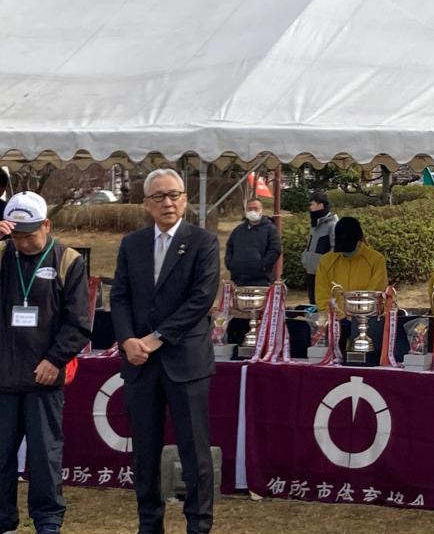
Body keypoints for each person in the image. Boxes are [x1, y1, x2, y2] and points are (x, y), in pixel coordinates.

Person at [110, 169, 221, 534]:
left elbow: (201, 299)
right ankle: (149, 523)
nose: (168, 202)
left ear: (186, 199)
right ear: (146, 204)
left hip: (184, 362)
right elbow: (120, 296)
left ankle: (198, 524)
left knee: (194, 453)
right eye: (159, 196)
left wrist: (157, 337)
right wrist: (127, 340)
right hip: (140, 364)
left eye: (174, 194)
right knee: (145, 452)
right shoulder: (133, 244)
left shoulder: (203, 242)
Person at [0, 192, 91, 534]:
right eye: (17, 235)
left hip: (44, 378)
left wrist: (56, 359)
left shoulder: (68, 260)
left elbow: (79, 321)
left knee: (44, 456)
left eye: (30, 234)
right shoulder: (2, 255)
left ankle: (48, 522)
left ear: (47, 225)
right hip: (4, 376)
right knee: (1, 457)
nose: (23, 242)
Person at [224, 198, 281, 344]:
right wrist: (230, 264)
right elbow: (229, 248)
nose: (252, 211)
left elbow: (275, 249)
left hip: (260, 280)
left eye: (255, 208)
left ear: (261, 210)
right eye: (249, 208)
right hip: (239, 279)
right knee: (239, 315)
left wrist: (262, 266)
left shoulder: (270, 229)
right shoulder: (238, 230)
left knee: (258, 314)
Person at [314, 217, 387, 312]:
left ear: (359, 239)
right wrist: (334, 319)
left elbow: (374, 295)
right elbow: (322, 297)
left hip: (366, 317)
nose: (345, 252)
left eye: (348, 246)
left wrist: (356, 317)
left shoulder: (376, 260)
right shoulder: (326, 261)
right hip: (335, 320)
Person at [300, 191, 338, 305]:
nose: (310, 207)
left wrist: (326, 266)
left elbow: (335, 249)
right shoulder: (315, 224)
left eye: (312, 204)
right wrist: (305, 258)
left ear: (320, 205)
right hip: (311, 270)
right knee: (313, 302)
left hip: (324, 273)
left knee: (323, 303)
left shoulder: (333, 224)